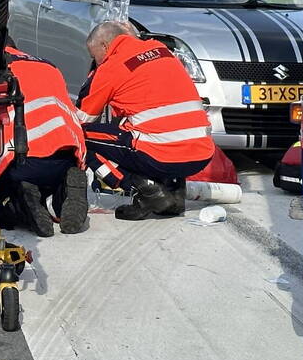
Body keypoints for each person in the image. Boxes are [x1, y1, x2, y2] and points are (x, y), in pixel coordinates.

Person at [77, 21, 214, 220]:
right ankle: (173, 196)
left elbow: (81, 119)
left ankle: (146, 191)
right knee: (149, 130)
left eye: (94, 55)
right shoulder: (162, 50)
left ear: (105, 47)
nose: (95, 61)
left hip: (160, 155)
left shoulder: (111, 67)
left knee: (81, 138)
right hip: (200, 153)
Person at [0, 42, 88, 237]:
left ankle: (21, 203)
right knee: (49, 180)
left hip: (18, 160)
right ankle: (61, 194)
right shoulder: (48, 65)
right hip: (66, 155)